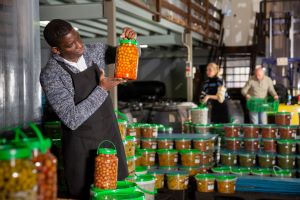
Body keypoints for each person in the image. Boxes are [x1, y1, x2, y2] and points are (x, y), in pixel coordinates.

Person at [40, 19, 137, 199]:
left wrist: (128, 43)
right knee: (87, 194)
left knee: (116, 191)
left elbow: (123, 56)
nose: (79, 45)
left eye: (78, 37)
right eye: (70, 45)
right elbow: (71, 119)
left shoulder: (94, 50)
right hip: (81, 148)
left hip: (109, 137)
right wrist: (102, 90)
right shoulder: (51, 74)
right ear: (56, 50)